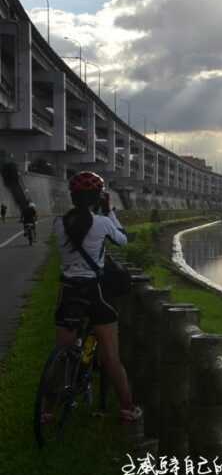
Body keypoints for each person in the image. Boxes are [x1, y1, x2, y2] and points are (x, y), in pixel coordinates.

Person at [51, 171, 142, 423]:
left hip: (67, 290)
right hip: (93, 291)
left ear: (72, 196)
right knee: (111, 357)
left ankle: (47, 410)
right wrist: (109, 211)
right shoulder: (102, 222)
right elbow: (122, 240)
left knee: (61, 351)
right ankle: (128, 409)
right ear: (97, 198)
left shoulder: (59, 223)